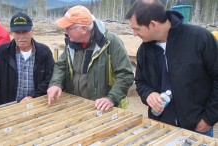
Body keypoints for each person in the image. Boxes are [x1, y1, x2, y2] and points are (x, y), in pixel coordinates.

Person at [125, 0, 218, 137]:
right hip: (160, 127)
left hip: (197, 128)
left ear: (153, 24)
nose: (134, 34)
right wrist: (149, 94)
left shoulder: (200, 38)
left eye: (137, 29)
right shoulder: (144, 50)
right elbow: (140, 82)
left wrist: (209, 118)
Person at [47, 5, 134, 111]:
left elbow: (125, 74)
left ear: (83, 29)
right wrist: (56, 84)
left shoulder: (111, 41)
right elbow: (61, 65)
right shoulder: (71, 42)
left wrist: (111, 98)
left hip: (103, 108)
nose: (65, 31)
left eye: (68, 28)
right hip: (76, 104)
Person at [0, 12, 55, 112]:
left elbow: (51, 78)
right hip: (9, 106)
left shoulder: (44, 52)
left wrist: (34, 96)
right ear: (11, 33)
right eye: (17, 32)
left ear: (32, 31)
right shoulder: (1, 52)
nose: (21, 36)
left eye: (25, 32)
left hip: (37, 104)